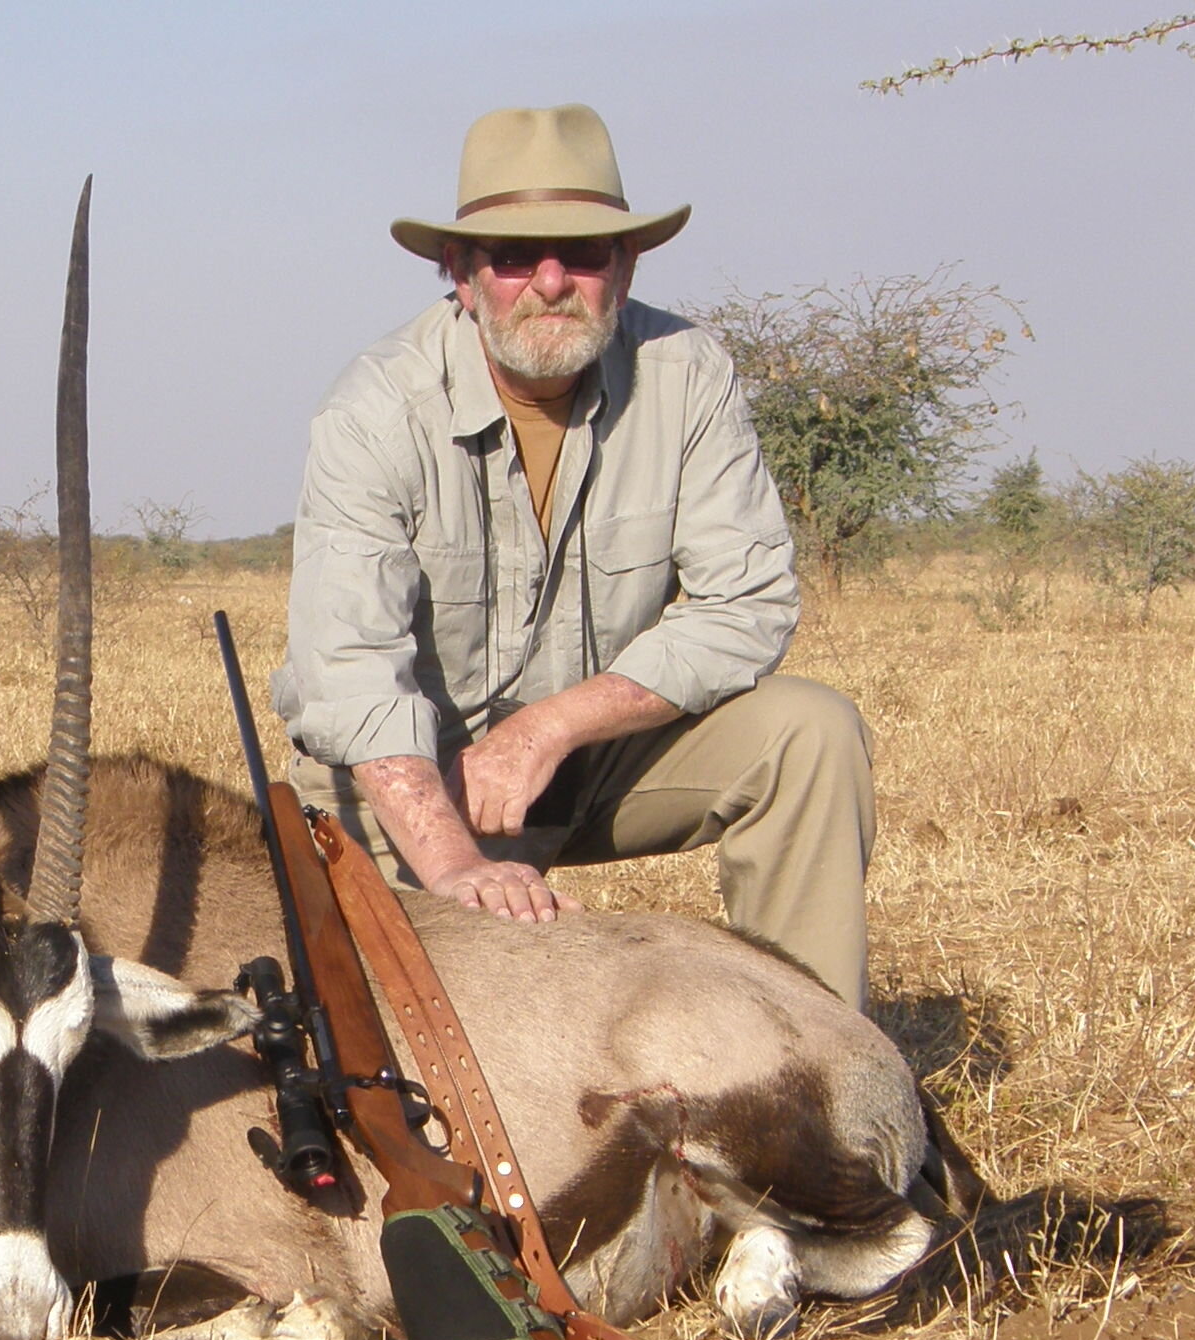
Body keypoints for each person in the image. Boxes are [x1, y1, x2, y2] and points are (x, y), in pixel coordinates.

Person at [273, 104, 880, 1009]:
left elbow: (745, 607)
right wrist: (454, 866)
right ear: (462, 274)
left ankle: (821, 1050)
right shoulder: (374, 407)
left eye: (584, 254)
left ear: (625, 267)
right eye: (515, 256)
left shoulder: (689, 372)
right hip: (410, 782)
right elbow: (350, 675)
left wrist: (550, 728)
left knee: (811, 735)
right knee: (386, 1038)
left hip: (590, 759)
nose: (550, 281)